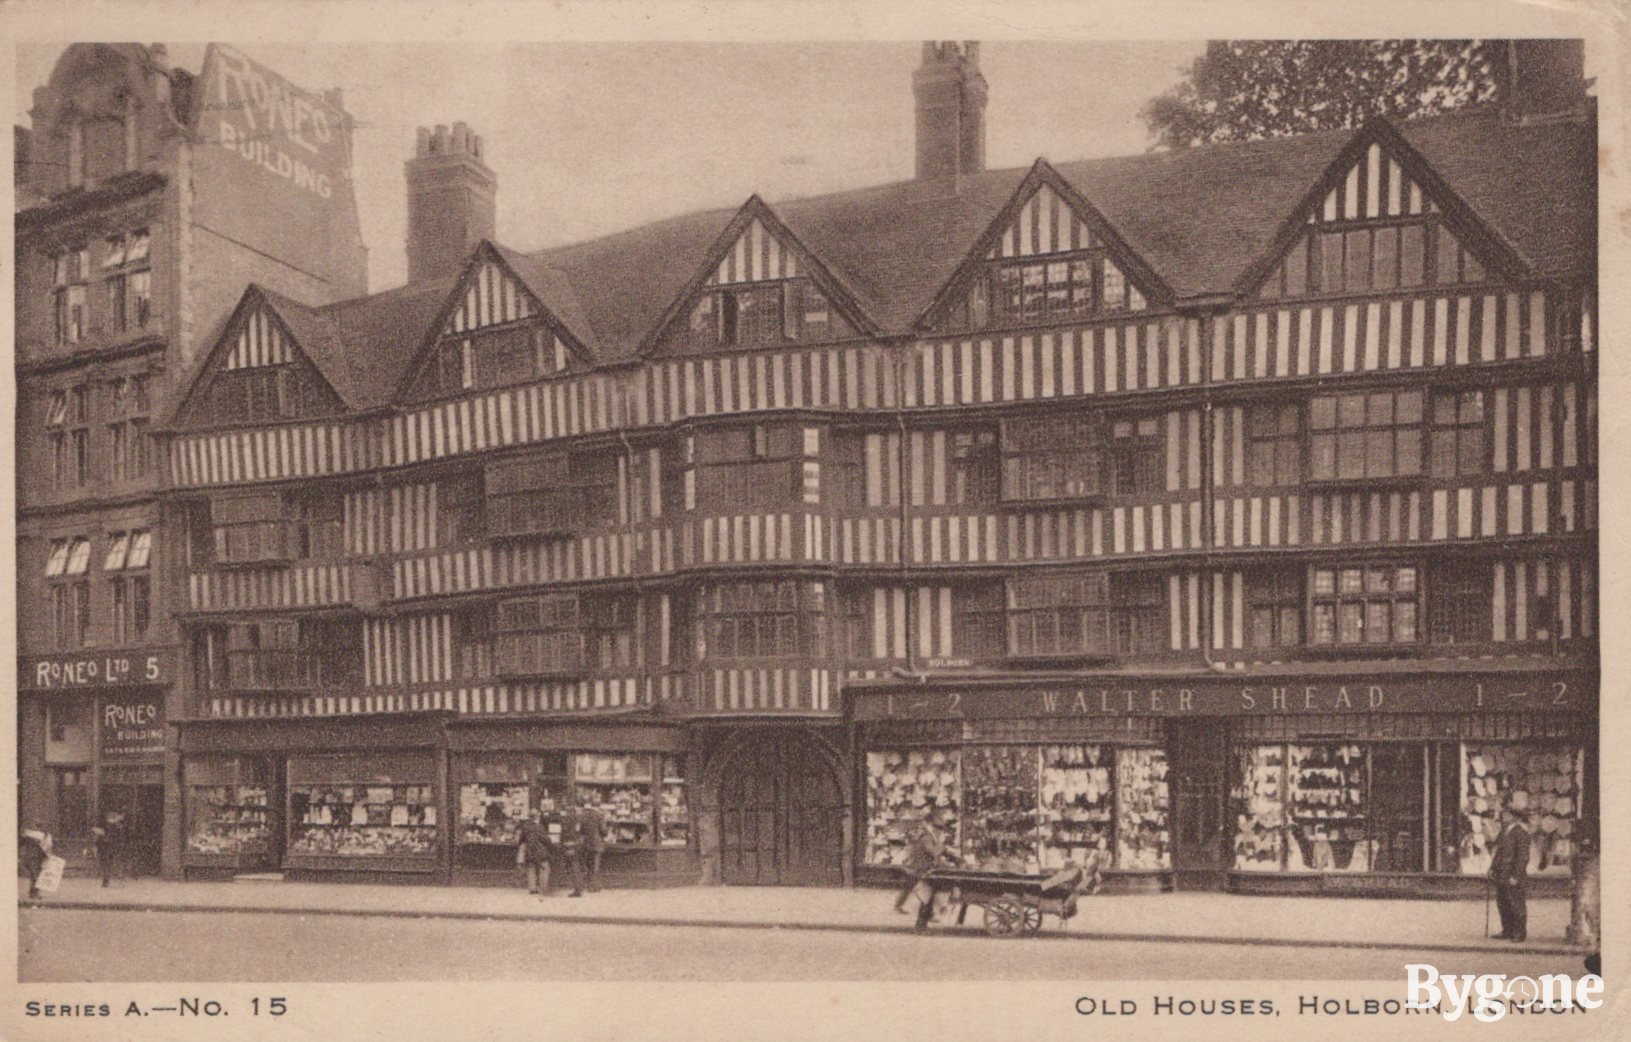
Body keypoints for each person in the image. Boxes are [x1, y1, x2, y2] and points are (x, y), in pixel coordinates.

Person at [893, 817, 954, 932]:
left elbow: (938, 851)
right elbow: (933, 851)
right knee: (926, 897)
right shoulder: (927, 837)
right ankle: (921, 925)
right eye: (939, 828)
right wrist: (942, 846)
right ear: (934, 828)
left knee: (927, 897)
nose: (941, 831)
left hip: (925, 871)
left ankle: (926, 920)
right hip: (921, 871)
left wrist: (951, 856)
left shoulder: (932, 837)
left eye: (941, 829)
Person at [1489, 802, 1531, 942]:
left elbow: (1522, 858)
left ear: (1515, 817)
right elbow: (1498, 853)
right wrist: (1492, 868)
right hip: (1501, 873)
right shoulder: (1504, 832)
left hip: (1512, 874)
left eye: (1507, 814)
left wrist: (1516, 876)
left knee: (1516, 903)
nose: (1503, 816)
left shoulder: (1521, 833)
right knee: (1503, 902)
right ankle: (1507, 930)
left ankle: (1519, 932)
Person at [517, 809, 555, 896]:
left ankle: (532, 889)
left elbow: (521, 840)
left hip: (530, 851)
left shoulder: (525, 826)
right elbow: (546, 840)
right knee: (544, 868)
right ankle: (543, 888)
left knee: (531, 869)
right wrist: (551, 846)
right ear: (537, 816)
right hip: (540, 851)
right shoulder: (539, 827)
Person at [557, 801, 586, 897]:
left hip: (570, 846)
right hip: (578, 846)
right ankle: (578, 889)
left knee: (574, 869)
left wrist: (563, 843)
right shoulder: (579, 821)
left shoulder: (568, 822)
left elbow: (565, 835)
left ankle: (577, 890)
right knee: (576, 868)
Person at [578, 795, 606, 893]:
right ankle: (594, 886)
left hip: (586, 843)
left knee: (589, 865)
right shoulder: (599, 815)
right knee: (595, 866)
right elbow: (603, 830)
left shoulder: (583, 815)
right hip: (597, 843)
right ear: (599, 805)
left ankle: (589, 885)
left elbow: (581, 830)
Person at [19, 826, 51, 900]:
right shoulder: (37, 840)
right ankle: (34, 893)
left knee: (35, 876)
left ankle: (33, 893)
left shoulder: (30, 838)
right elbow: (44, 849)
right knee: (35, 876)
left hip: (35, 859)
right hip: (34, 859)